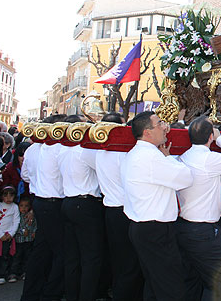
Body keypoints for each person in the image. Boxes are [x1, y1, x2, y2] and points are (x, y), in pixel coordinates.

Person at [122, 111, 193, 301]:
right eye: (159, 124)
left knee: (154, 285)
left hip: (143, 227)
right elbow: (185, 178)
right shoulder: (151, 157)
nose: (164, 127)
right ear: (147, 132)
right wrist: (169, 158)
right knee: (171, 288)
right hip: (155, 230)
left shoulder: (135, 154)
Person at [176, 116, 221, 301]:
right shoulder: (207, 160)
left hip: (184, 227)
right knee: (219, 280)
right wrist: (220, 138)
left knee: (191, 279)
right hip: (203, 231)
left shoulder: (184, 157)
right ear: (209, 137)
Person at [95, 112, 144, 301]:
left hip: (111, 210)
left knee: (118, 259)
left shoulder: (101, 151)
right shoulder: (123, 153)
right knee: (129, 263)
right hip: (124, 211)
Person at [58, 114, 105, 301]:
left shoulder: (62, 150)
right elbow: (102, 168)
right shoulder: (84, 151)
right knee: (91, 257)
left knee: (72, 257)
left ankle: (72, 295)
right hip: (85, 204)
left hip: (68, 202)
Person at [20, 113, 67, 301]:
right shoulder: (57, 149)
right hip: (52, 202)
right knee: (61, 252)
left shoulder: (33, 150)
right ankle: (50, 293)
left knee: (42, 250)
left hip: (40, 200)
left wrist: (39, 183)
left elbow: (25, 175)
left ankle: (32, 292)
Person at [0, 186, 19, 286]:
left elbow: (16, 221)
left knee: (5, 256)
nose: (8, 198)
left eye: (11, 195)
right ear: (1, 197)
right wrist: (0, 234)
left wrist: (11, 233)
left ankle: (1, 275)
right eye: (5, 195)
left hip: (7, 235)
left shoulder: (15, 207)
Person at [10, 195, 36, 282]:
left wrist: (33, 232)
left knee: (27, 257)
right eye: (21, 206)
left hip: (28, 240)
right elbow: (15, 225)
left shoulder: (32, 216)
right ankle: (13, 272)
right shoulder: (18, 216)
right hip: (19, 240)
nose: (24, 208)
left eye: (26, 206)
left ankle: (25, 272)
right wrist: (22, 231)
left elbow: (35, 225)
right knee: (17, 257)